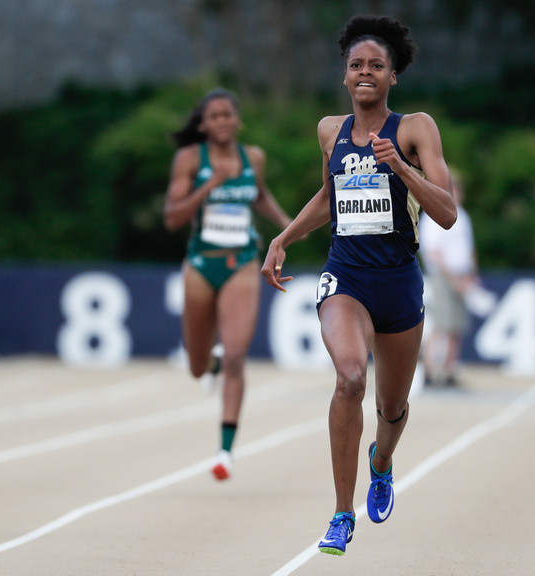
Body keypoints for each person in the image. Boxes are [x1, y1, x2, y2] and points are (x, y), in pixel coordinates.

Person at [260, 15, 456, 556]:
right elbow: (329, 199)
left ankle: (383, 462)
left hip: (398, 282)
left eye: (376, 65)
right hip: (345, 276)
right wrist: (283, 238)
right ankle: (341, 514)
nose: (365, 72)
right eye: (356, 65)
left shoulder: (416, 128)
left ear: (393, 76)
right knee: (350, 378)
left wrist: (403, 170)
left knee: (392, 408)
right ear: (345, 76)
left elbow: (447, 213)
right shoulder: (331, 131)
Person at [163, 88, 291, 481]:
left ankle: (224, 451)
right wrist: (210, 184)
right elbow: (172, 217)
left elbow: (260, 195)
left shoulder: (253, 157)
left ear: (238, 120)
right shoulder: (189, 159)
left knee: (238, 355)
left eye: (227, 115)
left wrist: (289, 228)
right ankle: (211, 363)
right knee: (198, 368)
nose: (221, 121)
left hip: (242, 263)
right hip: (202, 265)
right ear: (203, 124)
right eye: (213, 116)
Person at [418, 169, 480, 387]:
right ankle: (430, 369)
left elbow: (468, 249)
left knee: (457, 325)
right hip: (444, 276)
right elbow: (435, 252)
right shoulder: (434, 214)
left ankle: (448, 369)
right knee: (442, 324)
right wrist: (453, 278)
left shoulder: (462, 216)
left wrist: (472, 275)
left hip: (461, 275)